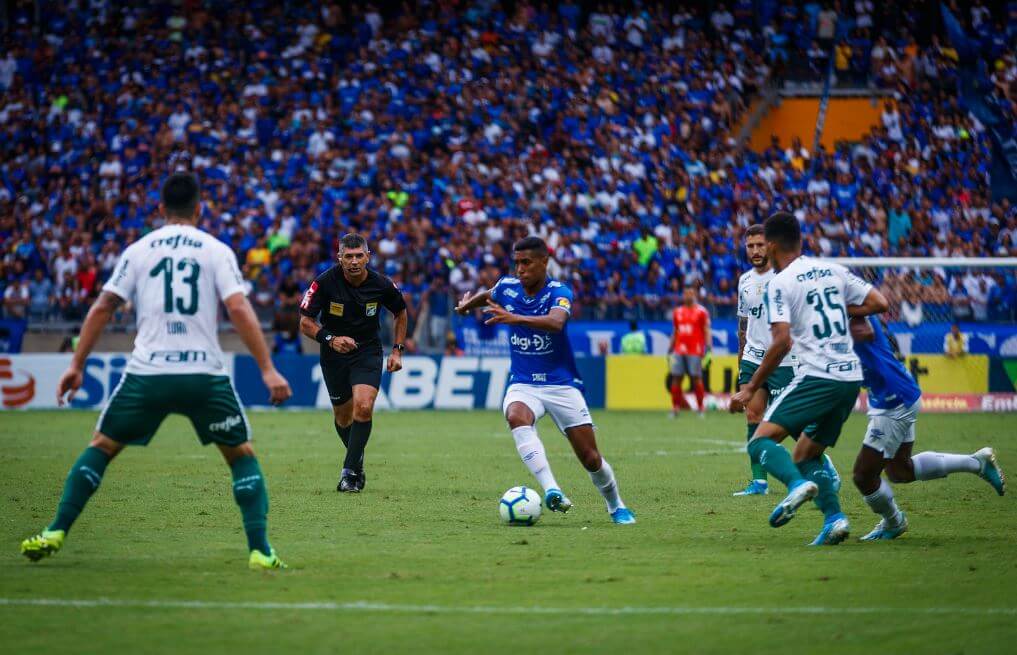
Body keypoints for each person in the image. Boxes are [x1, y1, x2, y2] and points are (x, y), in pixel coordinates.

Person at [20, 172, 293, 570]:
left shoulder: (139, 250)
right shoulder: (215, 249)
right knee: (240, 456)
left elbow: (101, 308)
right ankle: (261, 552)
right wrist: (267, 368)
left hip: (147, 373)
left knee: (102, 447)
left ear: (161, 209)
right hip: (204, 375)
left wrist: (76, 365)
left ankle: (56, 530)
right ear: (199, 209)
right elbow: (237, 308)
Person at [730, 211, 888, 546]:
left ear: (771, 246)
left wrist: (751, 387)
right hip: (850, 377)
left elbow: (782, 343)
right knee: (806, 453)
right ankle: (834, 520)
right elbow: (879, 302)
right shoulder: (833, 270)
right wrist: (843, 312)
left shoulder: (780, 283)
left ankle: (795, 485)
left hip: (816, 374)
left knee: (760, 442)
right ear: (800, 240)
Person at [455, 236, 635, 524]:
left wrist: (514, 319)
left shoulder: (558, 291)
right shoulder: (507, 287)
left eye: (526, 263)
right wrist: (467, 306)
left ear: (544, 262)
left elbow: (556, 322)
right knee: (516, 415)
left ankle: (616, 506)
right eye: (517, 263)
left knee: (590, 457)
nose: (520, 270)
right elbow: (488, 293)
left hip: (561, 384)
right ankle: (552, 490)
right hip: (524, 382)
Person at [850, 315, 1005, 540]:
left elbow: (867, 326)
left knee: (863, 475)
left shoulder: (850, 309)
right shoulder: (838, 308)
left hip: (893, 400)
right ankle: (976, 463)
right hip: (895, 393)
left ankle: (894, 522)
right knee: (899, 470)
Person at [298, 233, 408, 493]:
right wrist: (331, 339)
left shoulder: (381, 284)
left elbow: (400, 312)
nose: (355, 261)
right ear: (340, 258)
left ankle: (349, 473)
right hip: (333, 354)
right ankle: (357, 460)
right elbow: (305, 322)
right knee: (343, 417)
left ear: (368, 257)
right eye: (349, 256)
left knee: (363, 406)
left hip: (367, 351)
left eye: (359, 255)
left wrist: (397, 350)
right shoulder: (324, 283)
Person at [731, 224, 799, 496]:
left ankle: (820, 465)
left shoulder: (785, 277)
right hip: (752, 357)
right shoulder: (744, 281)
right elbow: (743, 323)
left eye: (760, 245)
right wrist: (741, 356)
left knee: (792, 423)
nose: (755, 251)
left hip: (782, 358)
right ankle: (759, 482)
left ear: (769, 245)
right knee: (753, 414)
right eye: (750, 246)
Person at [668, 286, 710, 417]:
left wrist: (708, 348)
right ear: (683, 295)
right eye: (686, 293)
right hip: (679, 349)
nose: (688, 295)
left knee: (696, 378)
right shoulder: (677, 311)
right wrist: (670, 348)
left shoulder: (701, 312)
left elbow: (706, 330)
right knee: (676, 378)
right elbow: (675, 331)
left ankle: (700, 408)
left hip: (695, 350)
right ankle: (675, 408)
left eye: (691, 293)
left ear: (695, 294)